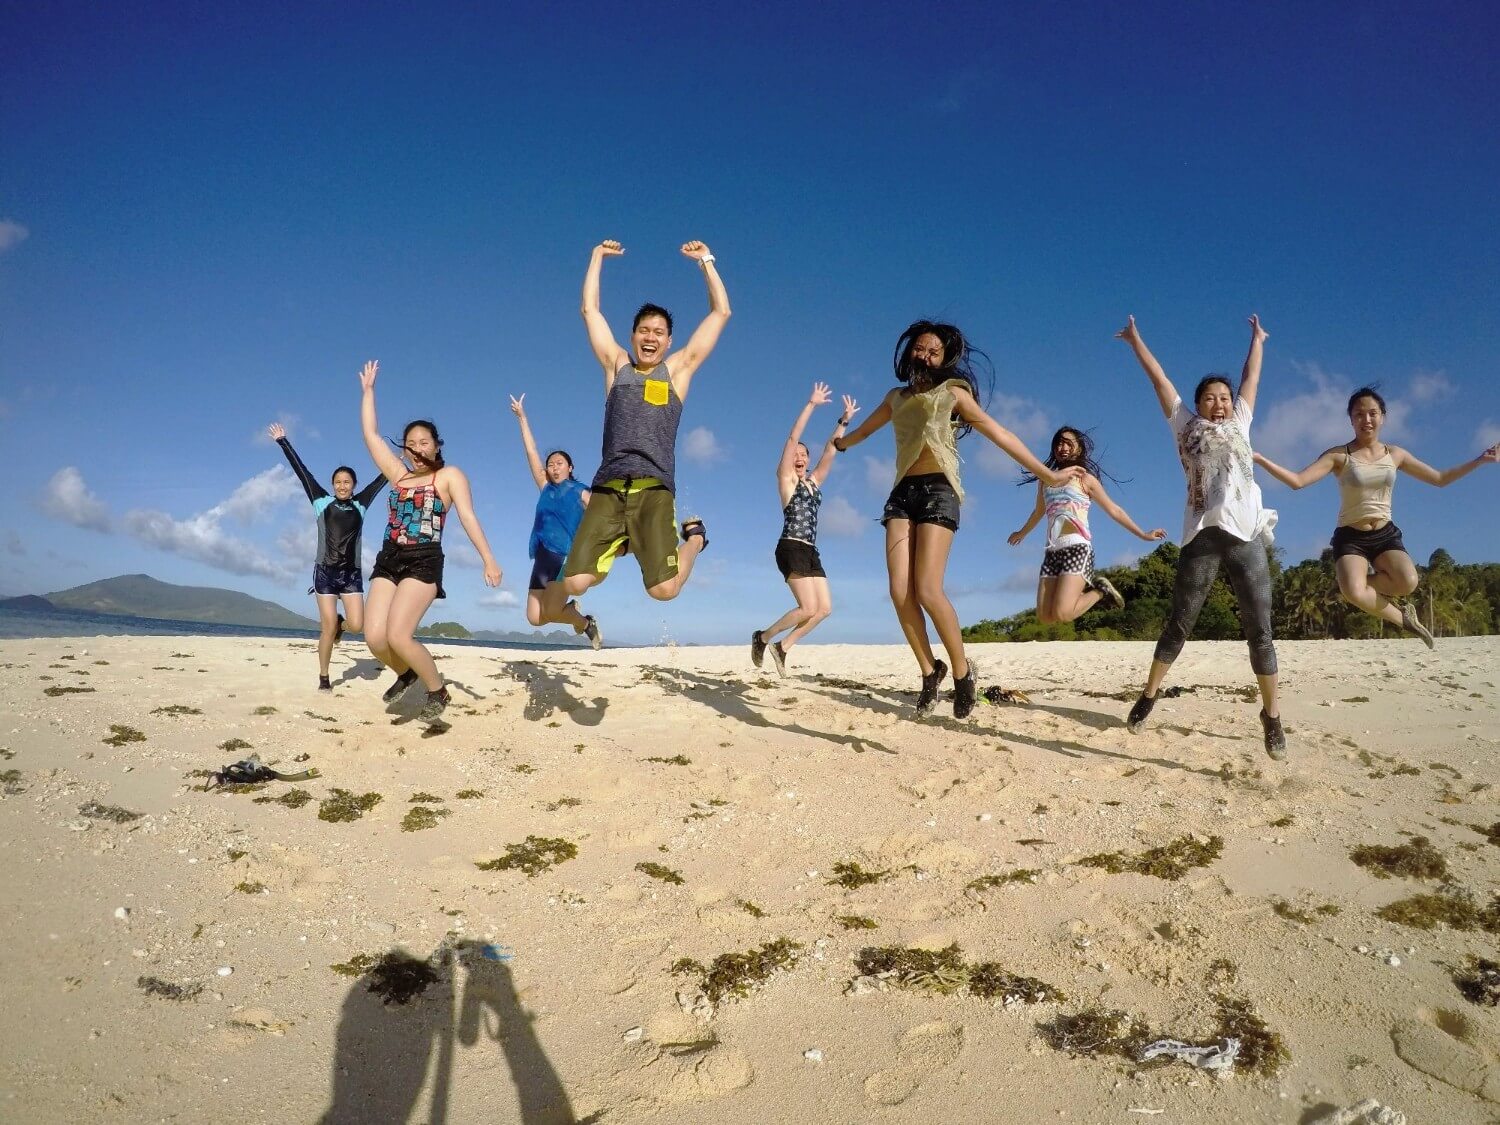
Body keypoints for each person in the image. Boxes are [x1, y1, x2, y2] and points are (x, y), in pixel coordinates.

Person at [833, 320, 1082, 719]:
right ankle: (930, 670)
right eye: (920, 349)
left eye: (934, 352)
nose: (925, 356)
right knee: (899, 592)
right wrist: (841, 441)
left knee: (928, 590)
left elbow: (1000, 434)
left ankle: (962, 673)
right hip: (901, 494)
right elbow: (864, 431)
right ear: (908, 352)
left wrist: (1047, 475)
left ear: (944, 359)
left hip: (939, 491)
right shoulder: (895, 398)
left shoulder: (953, 394)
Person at [1115, 315, 1286, 759]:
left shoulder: (1241, 421)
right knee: (1180, 622)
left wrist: (1257, 340)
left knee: (1260, 630)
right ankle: (1149, 694)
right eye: (1210, 398)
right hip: (1200, 537)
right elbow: (1160, 380)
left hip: (1245, 536)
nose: (1219, 404)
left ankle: (1271, 716)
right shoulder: (1184, 426)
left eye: (1224, 398)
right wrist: (1136, 341)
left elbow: (1251, 377)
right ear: (1197, 404)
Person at [1253, 387, 1499, 646]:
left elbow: (1440, 478)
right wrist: (1260, 459)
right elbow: (1298, 481)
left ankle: (1345, 586)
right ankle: (1403, 619)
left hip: (1384, 534)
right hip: (1351, 536)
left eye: (1372, 413)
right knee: (1355, 591)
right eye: (1359, 415)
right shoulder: (1339, 455)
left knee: (1407, 583)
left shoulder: (1396, 454)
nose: (1366, 420)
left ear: (1383, 416)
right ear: (1351, 420)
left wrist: (1479, 460)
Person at [561, 239, 730, 605]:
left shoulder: (677, 372)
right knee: (573, 583)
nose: (650, 337)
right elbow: (590, 310)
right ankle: (626, 540)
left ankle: (696, 539)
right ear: (633, 335)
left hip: (654, 489)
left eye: (658, 332)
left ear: (668, 342)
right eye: (644, 330)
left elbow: (721, 313)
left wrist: (706, 261)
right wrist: (596, 256)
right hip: (608, 488)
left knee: (663, 591)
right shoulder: (617, 366)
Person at [357, 360, 502, 726]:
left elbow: (468, 516)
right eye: (411, 445)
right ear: (404, 451)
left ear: (436, 446)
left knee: (398, 634)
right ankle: (406, 674)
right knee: (374, 638)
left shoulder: (449, 476)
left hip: (423, 560)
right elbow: (371, 435)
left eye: (424, 442)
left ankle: (437, 691)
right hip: (388, 558)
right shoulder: (398, 475)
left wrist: (488, 559)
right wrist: (369, 392)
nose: (417, 449)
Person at [750, 382, 859, 675]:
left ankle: (782, 647)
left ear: (808, 460)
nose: (799, 458)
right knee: (807, 608)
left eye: (804, 455)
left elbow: (831, 449)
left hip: (811, 550)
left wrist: (844, 421)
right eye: (795, 455)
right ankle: (763, 637)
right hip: (791, 546)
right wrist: (811, 404)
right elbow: (792, 438)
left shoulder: (814, 483)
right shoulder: (786, 480)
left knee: (824, 609)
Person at [268, 422, 387, 690]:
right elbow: (302, 471)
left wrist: (398, 460)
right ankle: (324, 676)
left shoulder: (361, 504)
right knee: (327, 627)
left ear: (354, 485)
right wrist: (283, 441)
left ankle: (341, 626)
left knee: (356, 624)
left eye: (347, 482)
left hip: (351, 574)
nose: (342, 486)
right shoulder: (321, 501)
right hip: (325, 572)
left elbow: (382, 479)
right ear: (333, 485)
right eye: (338, 482)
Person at [1007, 426, 1167, 624]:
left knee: (1063, 613)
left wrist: (1143, 534)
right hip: (1052, 551)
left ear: (1079, 449)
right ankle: (1092, 590)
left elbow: (1114, 510)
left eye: (1068, 443)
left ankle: (1101, 591)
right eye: (1059, 443)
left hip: (1077, 547)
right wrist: (1021, 532)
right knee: (1045, 616)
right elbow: (1039, 512)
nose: (1063, 447)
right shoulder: (1045, 480)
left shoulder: (1085, 479)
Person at [508, 394, 603, 649]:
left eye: (560, 463)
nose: (554, 467)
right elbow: (531, 452)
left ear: (570, 467)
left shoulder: (581, 491)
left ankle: (584, 623)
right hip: (543, 557)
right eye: (550, 464)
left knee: (551, 610)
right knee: (535, 618)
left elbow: (601, 515)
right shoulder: (545, 487)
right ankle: (578, 617)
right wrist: (522, 418)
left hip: (566, 557)